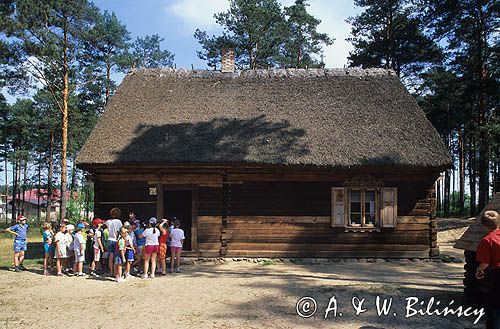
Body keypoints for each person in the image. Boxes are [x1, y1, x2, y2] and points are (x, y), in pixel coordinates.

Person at [475, 210, 500, 329]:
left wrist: (479, 270)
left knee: (494, 310)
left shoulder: (487, 240)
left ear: (484, 226)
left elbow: (484, 263)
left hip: (497, 278)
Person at [106, 207, 123, 277]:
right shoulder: (119, 221)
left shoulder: (108, 221)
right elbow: (120, 230)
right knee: (117, 256)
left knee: (111, 257)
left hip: (110, 239)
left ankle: (111, 272)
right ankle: (116, 273)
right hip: (116, 240)